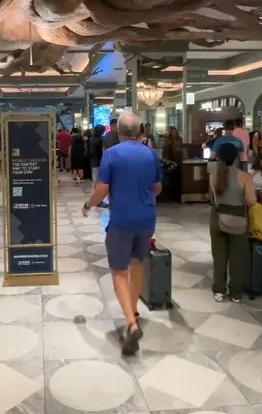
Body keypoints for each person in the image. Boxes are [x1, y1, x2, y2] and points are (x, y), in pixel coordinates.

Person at [81, 113, 162, 356]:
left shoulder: (112, 154)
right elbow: (157, 188)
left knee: (118, 271)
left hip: (121, 220)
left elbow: (102, 188)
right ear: (139, 132)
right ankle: (133, 310)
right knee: (138, 264)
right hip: (147, 219)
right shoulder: (150, 153)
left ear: (119, 132)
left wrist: (87, 205)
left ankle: (131, 322)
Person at [209, 142, 258, 303]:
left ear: (218, 157)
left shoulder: (213, 175)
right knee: (237, 258)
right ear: (237, 157)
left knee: (219, 256)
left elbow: (211, 198)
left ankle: (219, 290)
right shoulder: (244, 177)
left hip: (217, 218)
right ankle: (236, 293)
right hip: (238, 220)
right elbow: (252, 201)